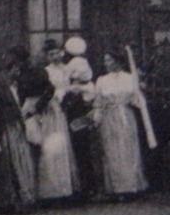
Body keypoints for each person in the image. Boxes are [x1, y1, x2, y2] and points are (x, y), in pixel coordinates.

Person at [0, 49, 36, 213]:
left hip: (0, 126)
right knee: (15, 162)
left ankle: (7, 201)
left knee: (2, 164)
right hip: (10, 124)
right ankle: (19, 198)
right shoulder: (2, 80)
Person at [23, 50, 78, 203]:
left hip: (58, 109)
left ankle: (63, 188)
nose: (54, 56)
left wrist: (67, 98)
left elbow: (72, 87)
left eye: (56, 53)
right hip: (46, 107)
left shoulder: (68, 69)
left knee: (60, 145)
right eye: (50, 54)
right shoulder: (45, 72)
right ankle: (48, 189)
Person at [93, 51, 151, 197]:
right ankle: (116, 187)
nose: (106, 64)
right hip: (109, 117)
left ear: (118, 62)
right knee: (112, 149)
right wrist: (97, 116)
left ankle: (131, 185)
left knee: (128, 147)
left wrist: (139, 96)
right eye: (105, 61)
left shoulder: (130, 78)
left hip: (126, 116)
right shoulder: (102, 80)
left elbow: (136, 100)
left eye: (109, 60)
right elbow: (98, 101)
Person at [60, 36, 99, 200]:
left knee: (81, 148)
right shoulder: (81, 67)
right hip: (78, 108)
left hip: (78, 110)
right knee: (82, 148)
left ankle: (86, 185)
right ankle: (86, 185)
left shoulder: (76, 74)